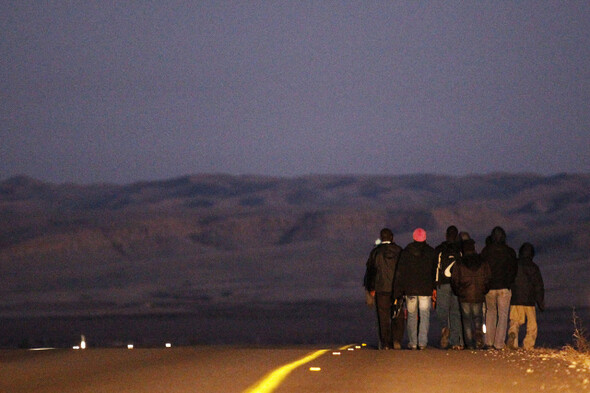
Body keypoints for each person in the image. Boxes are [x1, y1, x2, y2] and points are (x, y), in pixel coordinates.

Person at [394, 228, 437, 350]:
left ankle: (413, 342)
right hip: (425, 289)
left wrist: (400, 289)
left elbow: (400, 273)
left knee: (412, 315)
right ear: (425, 238)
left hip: (410, 289)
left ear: (413, 238)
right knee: (424, 315)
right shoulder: (431, 252)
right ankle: (422, 342)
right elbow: (434, 272)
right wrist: (434, 288)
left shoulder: (406, 252)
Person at [363, 228, 404, 349]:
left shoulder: (376, 252)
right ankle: (396, 340)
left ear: (381, 238)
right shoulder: (399, 251)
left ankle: (385, 343)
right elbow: (403, 270)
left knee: (383, 316)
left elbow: (371, 271)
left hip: (381, 289)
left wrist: (370, 288)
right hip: (397, 289)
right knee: (398, 314)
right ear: (392, 237)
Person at [480, 226, 517, 350]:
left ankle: (488, 342)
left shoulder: (486, 251)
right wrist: (509, 283)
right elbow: (514, 270)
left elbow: (482, 269)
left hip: (490, 287)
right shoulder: (510, 252)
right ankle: (499, 344)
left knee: (490, 313)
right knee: (503, 316)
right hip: (504, 288)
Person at [451, 238, 491, 349]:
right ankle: (479, 338)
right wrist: (484, 290)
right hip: (478, 294)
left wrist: (458, 291)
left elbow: (455, 280)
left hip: (464, 295)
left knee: (466, 320)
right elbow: (488, 278)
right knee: (478, 318)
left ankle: (469, 344)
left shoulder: (459, 262)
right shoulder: (482, 261)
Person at [507, 242, 545, 350]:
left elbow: (509, 279)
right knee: (532, 325)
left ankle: (513, 336)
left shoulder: (515, 265)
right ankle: (528, 345)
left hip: (516, 298)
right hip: (529, 300)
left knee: (515, 321)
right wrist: (540, 302)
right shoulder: (534, 267)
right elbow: (538, 286)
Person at [434, 225, 464, 349]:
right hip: (457, 285)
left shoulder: (440, 249)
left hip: (443, 284)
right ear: (456, 236)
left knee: (442, 311)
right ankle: (455, 342)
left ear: (446, 235)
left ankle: (444, 328)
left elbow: (436, 268)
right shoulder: (460, 250)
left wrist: (435, 286)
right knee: (455, 313)